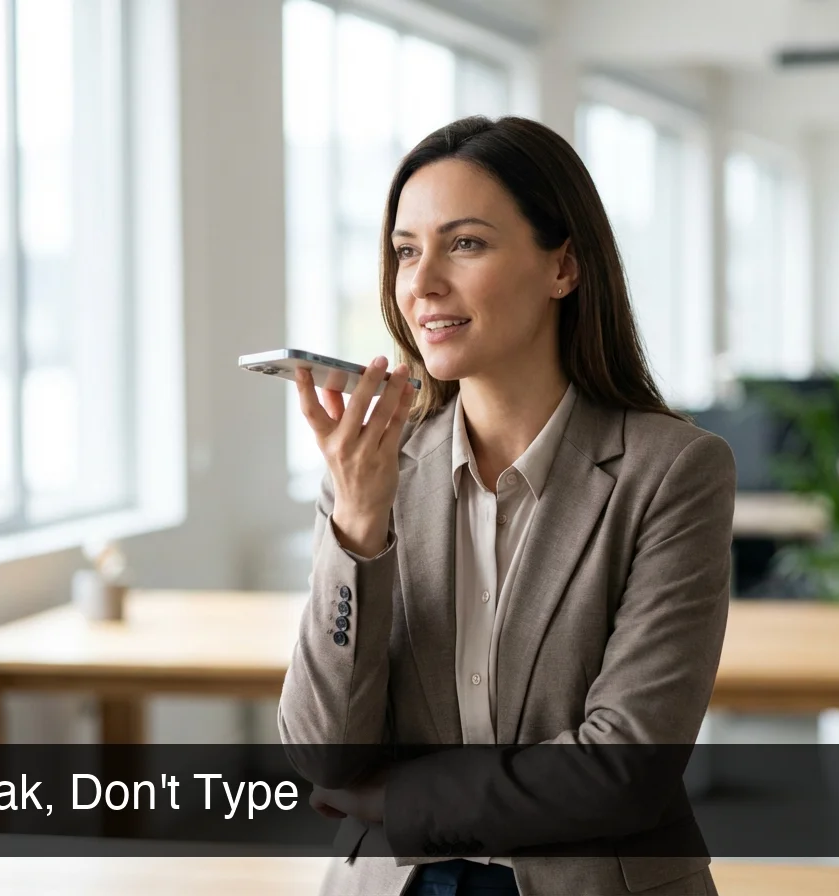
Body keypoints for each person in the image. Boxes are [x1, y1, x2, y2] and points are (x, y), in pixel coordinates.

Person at [278, 115, 735, 896]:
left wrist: (397, 799)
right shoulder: (372, 472)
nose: (422, 284)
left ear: (563, 267)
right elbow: (325, 759)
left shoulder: (673, 472)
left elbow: (624, 771)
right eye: (405, 251)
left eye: (465, 244)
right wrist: (358, 525)